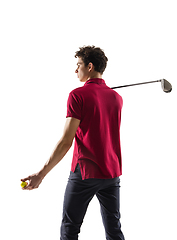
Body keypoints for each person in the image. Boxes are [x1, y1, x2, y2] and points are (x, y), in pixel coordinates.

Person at [21, 46, 125, 240]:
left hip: (85, 172)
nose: (75, 70)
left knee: (69, 228)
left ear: (90, 66)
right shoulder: (116, 98)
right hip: (111, 172)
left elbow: (66, 141)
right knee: (114, 229)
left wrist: (41, 174)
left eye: (78, 65)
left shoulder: (77, 95)